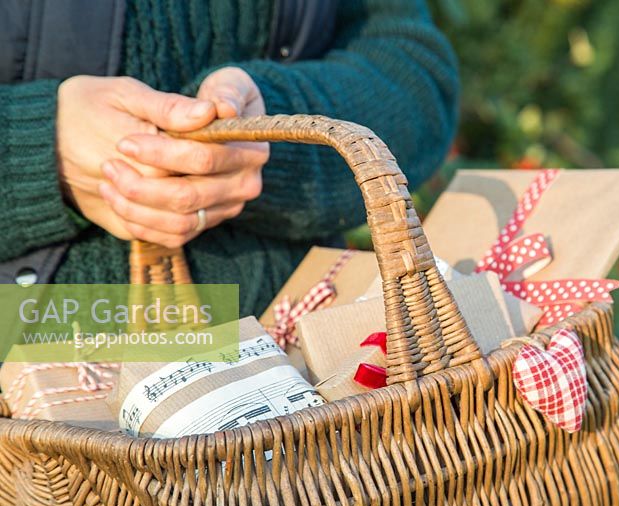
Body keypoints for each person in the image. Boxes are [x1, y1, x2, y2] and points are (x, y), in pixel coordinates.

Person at [0, 0, 458, 317]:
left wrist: (264, 135)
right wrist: (39, 146)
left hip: (303, 374)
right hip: (37, 389)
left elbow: (413, 74)